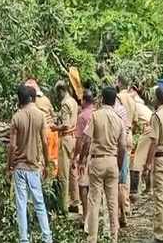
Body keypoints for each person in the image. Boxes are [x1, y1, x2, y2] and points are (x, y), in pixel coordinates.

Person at [78, 87, 126, 243]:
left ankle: (92, 238)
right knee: (112, 203)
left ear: (102, 99)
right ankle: (114, 238)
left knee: (94, 201)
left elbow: (86, 140)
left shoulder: (96, 116)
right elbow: (123, 146)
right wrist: (118, 165)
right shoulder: (119, 120)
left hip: (97, 161)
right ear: (114, 101)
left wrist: (82, 160)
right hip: (112, 161)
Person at [6, 84, 52, 243]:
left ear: (20, 99)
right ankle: (47, 237)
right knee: (39, 203)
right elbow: (45, 142)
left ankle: (24, 239)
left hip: (19, 167)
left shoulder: (16, 117)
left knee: (21, 204)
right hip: (34, 167)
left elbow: (12, 146)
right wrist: (47, 163)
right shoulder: (40, 116)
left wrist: (9, 166)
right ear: (32, 98)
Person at [144, 86, 163, 243]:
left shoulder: (157, 116)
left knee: (160, 198)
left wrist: (148, 162)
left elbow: (153, 141)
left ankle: (160, 235)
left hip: (160, 159)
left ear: (156, 99)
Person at [52, 80, 79, 213]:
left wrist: (54, 127)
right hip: (73, 138)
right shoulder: (73, 101)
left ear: (61, 91)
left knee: (63, 174)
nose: (57, 96)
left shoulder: (65, 104)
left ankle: (63, 207)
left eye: (58, 93)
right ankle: (75, 201)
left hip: (66, 138)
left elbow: (66, 124)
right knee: (73, 171)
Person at [25, 78, 58, 176]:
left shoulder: (32, 102)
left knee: (41, 160)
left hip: (42, 133)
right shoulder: (46, 99)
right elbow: (54, 116)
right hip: (52, 132)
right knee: (53, 160)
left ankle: (44, 183)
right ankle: (52, 183)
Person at [116, 76, 138, 220]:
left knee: (120, 176)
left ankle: (121, 210)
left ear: (119, 83)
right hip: (129, 134)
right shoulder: (132, 99)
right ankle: (127, 207)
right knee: (127, 173)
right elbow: (136, 121)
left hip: (121, 136)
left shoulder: (117, 98)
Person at [72, 89, 94, 224]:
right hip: (97, 154)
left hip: (86, 155)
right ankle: (92, 215)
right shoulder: (96, 113)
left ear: (84, 101)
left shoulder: (82, 116)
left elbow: (80, 140)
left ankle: (86, 215)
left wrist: (76, 157)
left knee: (83, 185)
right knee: (93, 186)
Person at [128, 85, 154, 200]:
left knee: (137, 161)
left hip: (148, 129)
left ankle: (133, 191)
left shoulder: (134, 104)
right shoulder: (140, 104)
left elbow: (132, 122)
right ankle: (148, 188)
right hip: (150, 128)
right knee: (149, 159)